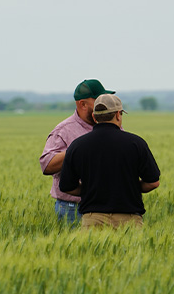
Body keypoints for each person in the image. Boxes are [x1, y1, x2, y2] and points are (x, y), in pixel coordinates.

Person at [59, 94, 161, 228]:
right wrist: (128, 187)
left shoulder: (77, 146)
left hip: (92, 220)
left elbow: (66, 186)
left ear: (95, 117)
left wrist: (92, 189)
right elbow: (153, 183)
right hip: (129, 221)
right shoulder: (136, 143)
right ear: (118, 115)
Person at [40, 79, 115, 224]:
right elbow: (47, 165)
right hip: (73, 208)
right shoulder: (63, 130)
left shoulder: (112, 124)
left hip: (107, 205)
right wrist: (79, 148)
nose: (104, 104)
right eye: (99, 100)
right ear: (82, 104)